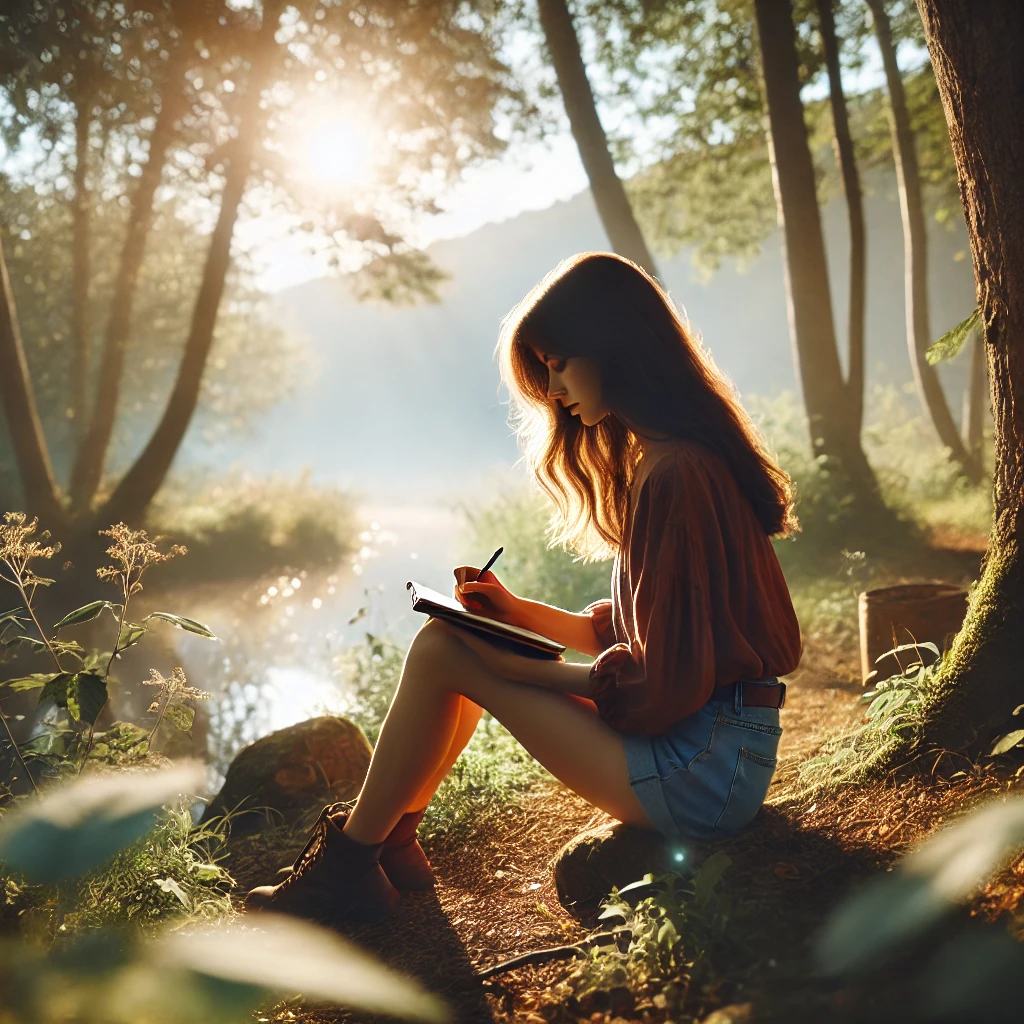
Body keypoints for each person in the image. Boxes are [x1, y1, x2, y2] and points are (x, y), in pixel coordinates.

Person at [245, 251, 802, 925]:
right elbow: (633, 632)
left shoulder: (676, 474)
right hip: (713, 747)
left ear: (614, 349)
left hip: (702, 772)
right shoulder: (674, 458)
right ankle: (379, 844)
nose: (552, 386)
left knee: (445, 652)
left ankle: (358, 860)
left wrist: (519, 670)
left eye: (558, 362)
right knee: (451, 639)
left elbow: (662, 682)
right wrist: (511, 613)